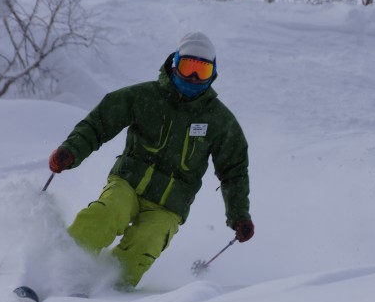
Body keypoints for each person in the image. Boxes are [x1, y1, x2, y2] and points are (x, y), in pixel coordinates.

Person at [48, 32, 254, 289]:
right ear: (174, 63)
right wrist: (72, 150)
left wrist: (239, 216)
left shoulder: (219, 121)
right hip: (128, 184)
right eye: (188, 67)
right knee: (107, 213)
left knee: (148, 240)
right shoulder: (145, 97)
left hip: (169, 206)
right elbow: (99, 123)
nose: (192, 77)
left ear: (212, 75)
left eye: (201, 71)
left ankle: (108, 287)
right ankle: (56, 267)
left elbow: (233, 172)